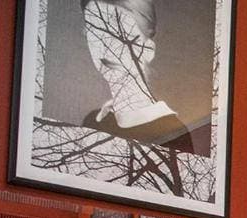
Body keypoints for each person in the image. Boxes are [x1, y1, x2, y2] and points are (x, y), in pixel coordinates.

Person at [81, 0, 195, 154]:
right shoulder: (94, 121)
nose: (102, 49)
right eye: (92, 31)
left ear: (148, 49)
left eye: (117, 29)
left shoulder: (174, 134)